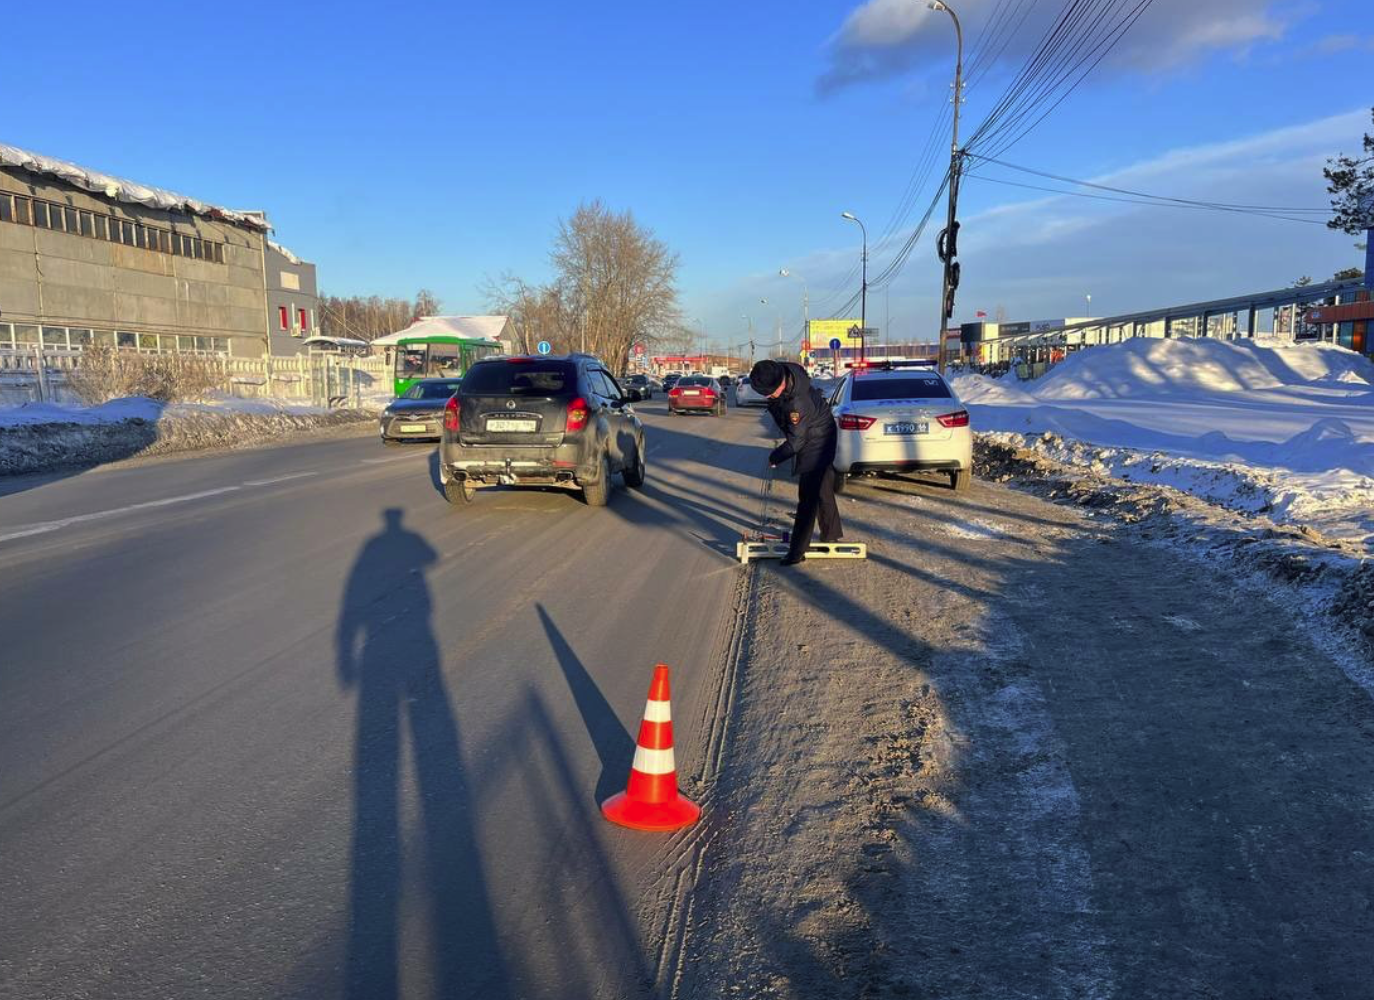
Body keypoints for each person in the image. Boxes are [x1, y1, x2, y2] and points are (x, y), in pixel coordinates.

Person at [749, 358, 843, 566]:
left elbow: (796, 441)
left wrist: (776, 456)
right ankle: (831, 534)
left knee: (807, 497)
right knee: (823, 487)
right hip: (819, 429)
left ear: (780, 384)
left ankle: (798, 550)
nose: (767, 397)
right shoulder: (783, 374)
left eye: (768, 393)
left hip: (816, 440)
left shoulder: (796, 404)